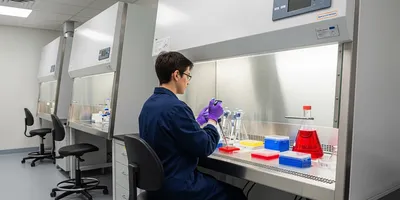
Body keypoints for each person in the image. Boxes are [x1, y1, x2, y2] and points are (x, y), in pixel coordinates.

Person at [139, 52, 247, 200]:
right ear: (177, 75)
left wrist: (197, 122)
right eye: (188, 76)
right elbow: (205, 147)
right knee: (236, 195)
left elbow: (169, 134)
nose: (188, 81)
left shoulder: (149, 105)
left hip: (157, 185)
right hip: (178, 186)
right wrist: (213, 120)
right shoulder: (176, 107)